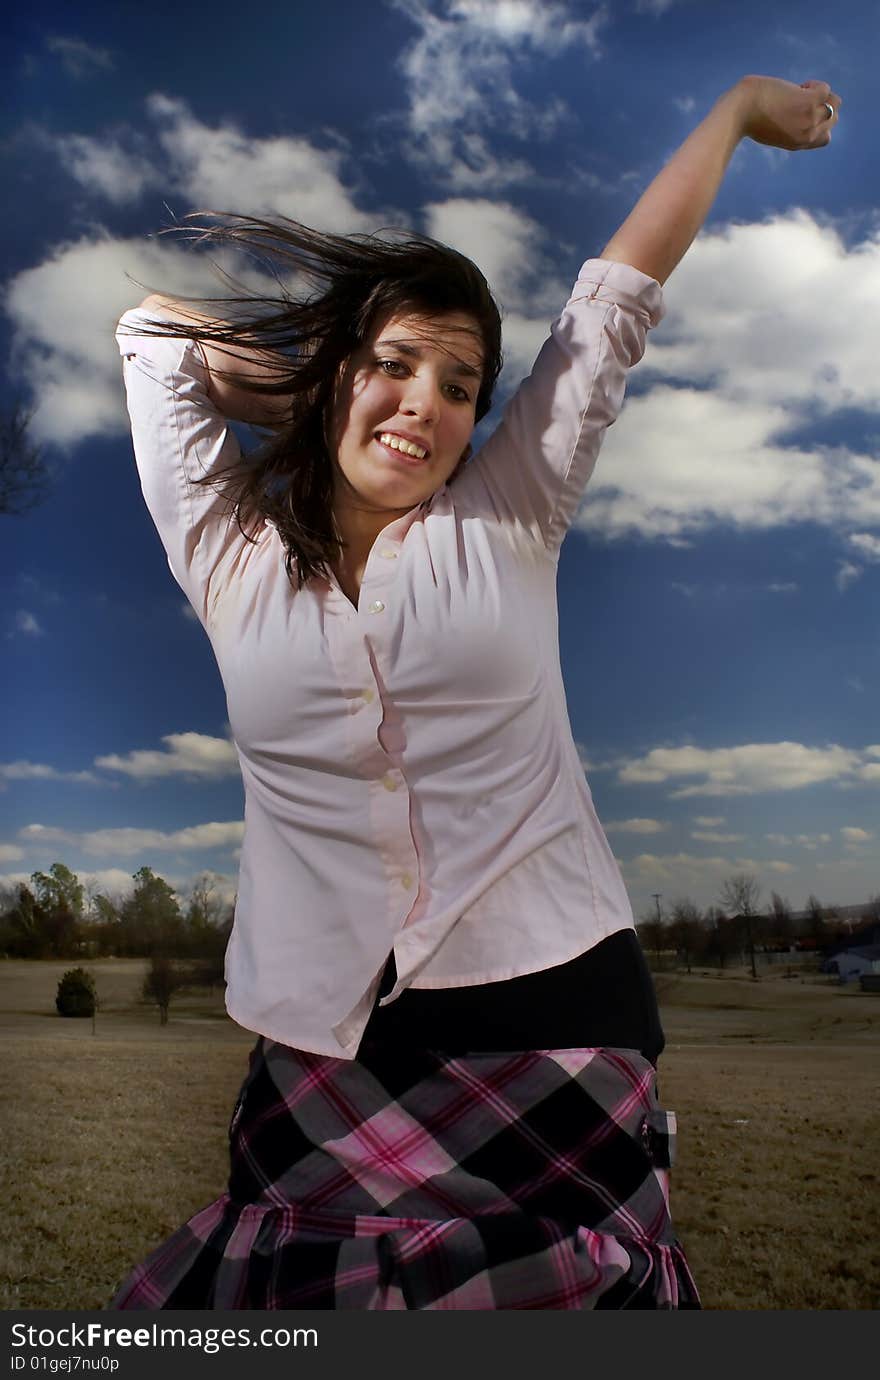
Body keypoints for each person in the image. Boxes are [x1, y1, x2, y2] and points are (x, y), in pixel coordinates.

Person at [108, 75, 838, 1311]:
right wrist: (329, 392)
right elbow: (149, 335)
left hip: (558, 1017)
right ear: (340, 364)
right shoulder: (229, 558)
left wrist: (728, 115)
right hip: (323, 1041)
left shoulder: (509, 513)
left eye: (459, 385)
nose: (430, 406)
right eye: (397, 364)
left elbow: (616, 298)